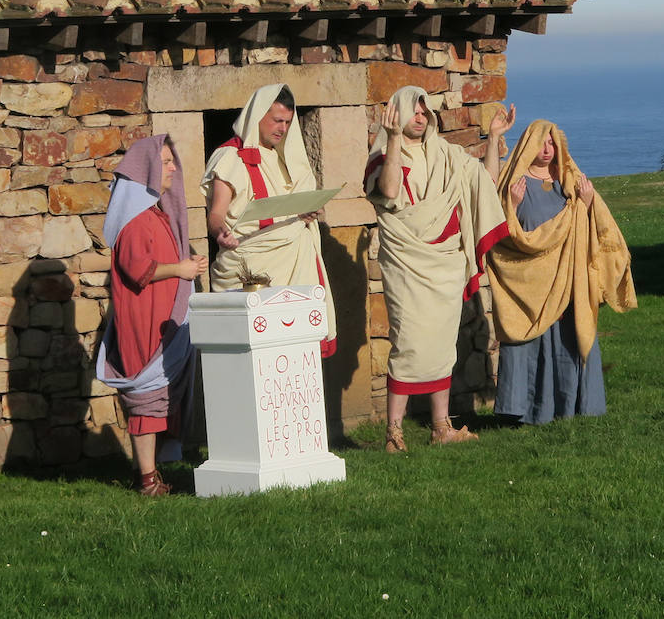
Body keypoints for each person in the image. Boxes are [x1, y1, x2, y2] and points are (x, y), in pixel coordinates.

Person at [365, 86, 510, 451]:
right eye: (413, 111)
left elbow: (486, 183)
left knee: (443, 344)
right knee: (409, 343)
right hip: (407, 260)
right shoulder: (384, 154)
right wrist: (393, 139)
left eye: (424, 112)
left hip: (446, 261)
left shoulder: (447, 153)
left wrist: (493, 139)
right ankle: (393, 433)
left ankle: (441, 427)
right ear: (397, 113)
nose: (420, 117)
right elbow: (389, 191)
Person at [487, 118, 636, 425]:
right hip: (529, 284)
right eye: (541, 143)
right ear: (528, 145)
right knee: (529, 343)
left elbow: (595, 223)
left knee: (569, 337)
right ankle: (523, 411)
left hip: (569, 280)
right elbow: (497, 230)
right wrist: (510, 205)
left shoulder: (570, 179)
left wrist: (587, 203)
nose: (547, 149)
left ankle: (575, 406)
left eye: (552, 143)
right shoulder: (515, 183)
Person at [97, 135, 207, 496]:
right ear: (147, 169)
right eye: (166, 161)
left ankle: (150, 471)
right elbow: (137, 269)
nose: (174, 167)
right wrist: (180, 269)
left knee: (160, 395)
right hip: (143, 323)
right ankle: (146, 480)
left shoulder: (155, 215)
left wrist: (186, 266)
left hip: (161, 322)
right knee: (147, 395)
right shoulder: (135, 221)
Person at [202, 83, 335, 357]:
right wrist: (220, 233)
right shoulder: (230, 157)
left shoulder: (284, 159)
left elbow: (285, 212)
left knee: (296, 351)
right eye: (276, 120)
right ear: (257, 116)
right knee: (256, 356)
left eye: (287, 122)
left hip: (291, 259)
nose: (282, 128)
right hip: (250, 260)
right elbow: (216, 214)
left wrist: (303, 215)